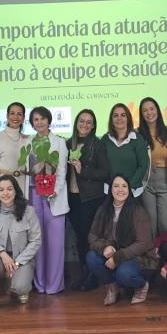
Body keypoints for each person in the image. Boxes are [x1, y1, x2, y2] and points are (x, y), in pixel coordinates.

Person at [86, 174, 158, 305]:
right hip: (114, 254)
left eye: (124, 186)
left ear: (129, 190)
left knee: (124, 273)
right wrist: (104, 248)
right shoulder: (104, 209)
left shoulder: (137, 210)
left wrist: (117, 257)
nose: (120, 190)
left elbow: (144, 243)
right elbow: (92, 235)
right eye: (116, 186)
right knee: (92, 257)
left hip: (138, 258)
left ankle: (142, 285)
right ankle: (113, 287)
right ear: (110, 189)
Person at [0, 174, 42, 313]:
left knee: (20, 287)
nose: (5, 193)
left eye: (9, 189)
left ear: (15, 191)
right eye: (1, 190)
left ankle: (16, 287)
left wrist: (17, 263)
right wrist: (2, 253)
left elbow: (35, 241)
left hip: (22, 259)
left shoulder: (28, 211)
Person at [25, 106, 69, 294]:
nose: (40, 122)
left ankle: (54, 285)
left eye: (43, 118)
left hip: (53, 197)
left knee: (55, 244)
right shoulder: (27, 142)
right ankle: (39, 283)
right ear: (32, 123)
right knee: (37, 241)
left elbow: (62, 172)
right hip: (33, 195)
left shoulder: (59, 142)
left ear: (49, 120)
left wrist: (54, 191)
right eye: (36, 119)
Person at [66, 109, 110, 290]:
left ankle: (92, 276)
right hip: (72, 198)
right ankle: (85, 272)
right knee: (79, 237)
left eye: (88, 122)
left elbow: (105, 172)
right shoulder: (68, 143)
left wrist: (83, 170)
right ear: (76, 123)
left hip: (91, 199)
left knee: (89, 237)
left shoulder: (97, 144)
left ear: (93, 126)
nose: (84, 124)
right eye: (81, 121)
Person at [137, 97, 167, 237]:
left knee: (166, 224)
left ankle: (165, 250)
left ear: (157, 110)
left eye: (152, 109)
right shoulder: (137, 134)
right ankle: (151, 251)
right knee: (149, 225)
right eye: (145, 110)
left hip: (166, 183)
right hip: (147, 183)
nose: (149, 113)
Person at [101, 104, 148, 197]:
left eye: (123, 115)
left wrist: (127, 186)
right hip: (109, 192)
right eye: (115, 115)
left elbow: (143, 166)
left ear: (128, 118)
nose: (119, 118)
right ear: (111, 120)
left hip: (133, 192)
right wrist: (114, 187)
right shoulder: (105, 139)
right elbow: (101, 166)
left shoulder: (137, 139)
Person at [0, 102, 29, 197]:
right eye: (12, 113)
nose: (15, 117)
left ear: (23, 118)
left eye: (19, 114)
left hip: (22, 190)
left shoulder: (27, 140)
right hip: (3, 191)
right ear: (7, 116)